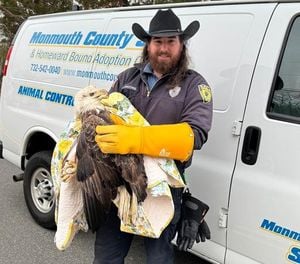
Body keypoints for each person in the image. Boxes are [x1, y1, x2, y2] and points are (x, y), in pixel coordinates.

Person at [94, 8, 213, 264]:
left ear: (182, 45)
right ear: (148, 44)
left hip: (165, 190)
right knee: (106, 256)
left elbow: (194, 136)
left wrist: (136, 140)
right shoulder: (127, 78)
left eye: (171, 41)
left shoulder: (195, 85)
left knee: (159, 259)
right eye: (158, 41)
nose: (164, 48)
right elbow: (105, 119)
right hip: (121, 185)